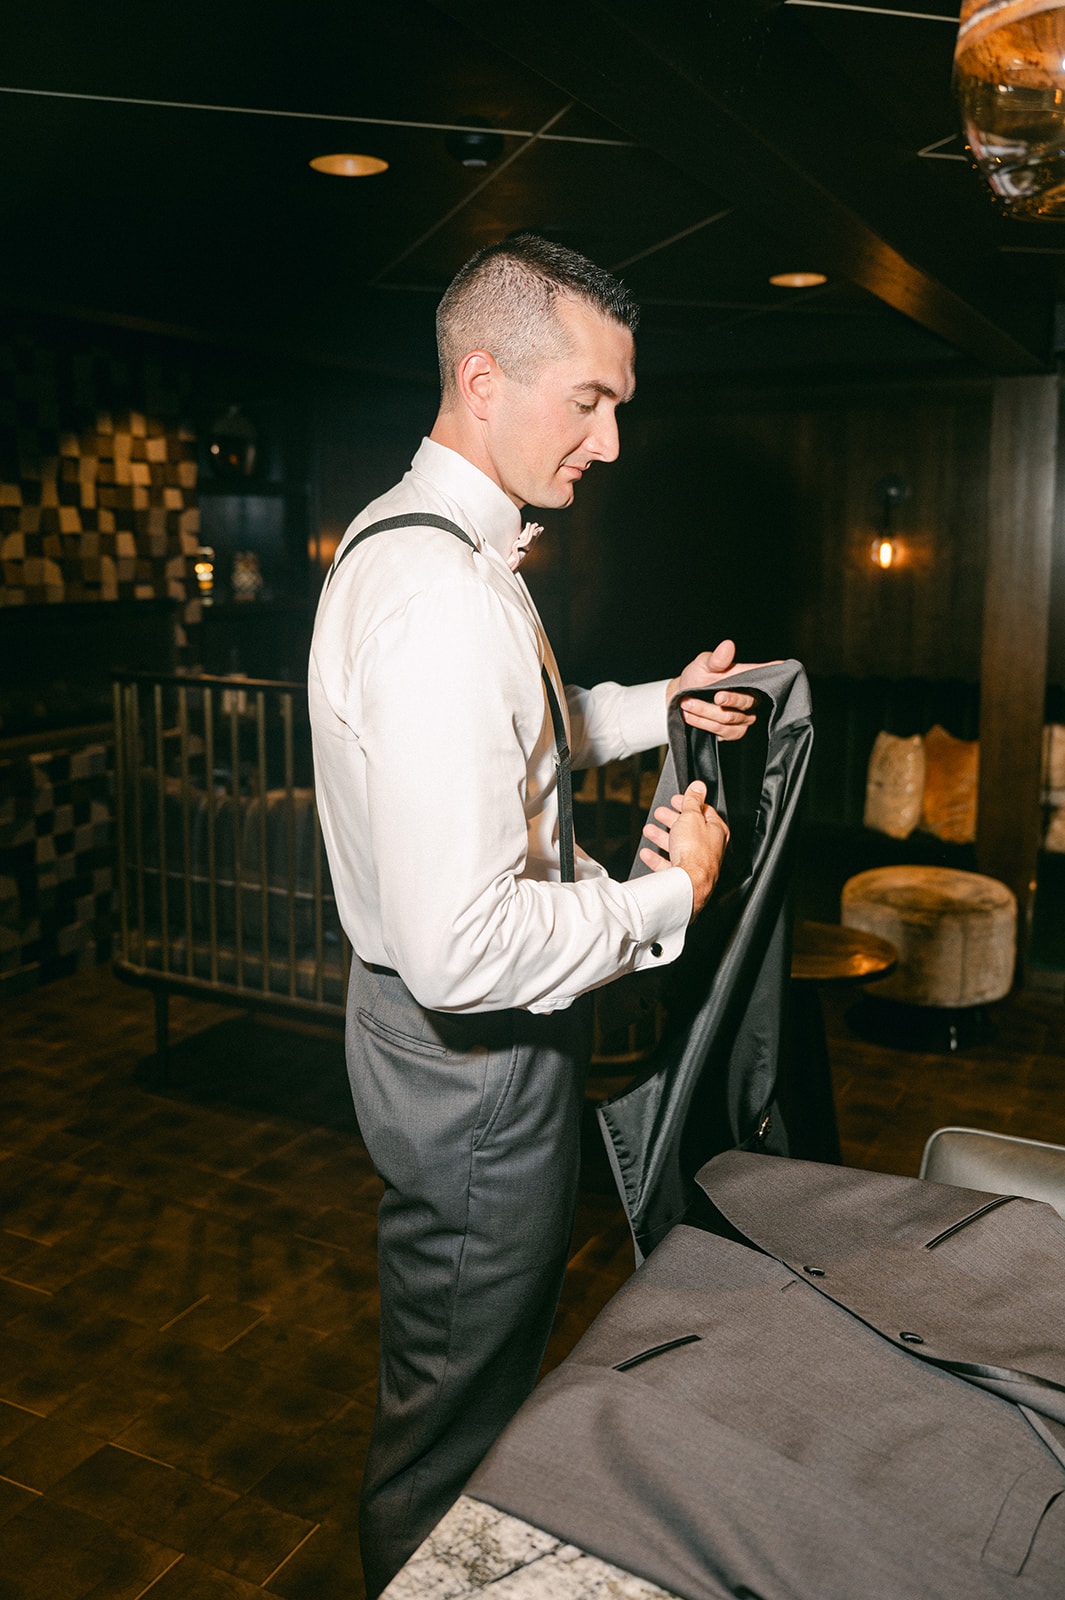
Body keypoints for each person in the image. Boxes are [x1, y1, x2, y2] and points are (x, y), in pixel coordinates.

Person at [308, 234, 756, 1597]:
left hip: (445, 1050)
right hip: (470, 1058)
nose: (610, 443)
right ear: (485, 376)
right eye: (591, 402)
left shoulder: (424, 548)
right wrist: (664, 897)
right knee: (454, 1417)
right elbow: (462, 945)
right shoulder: (443, 599)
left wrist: (654, 707)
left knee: (471, 1373)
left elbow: (527, 734)